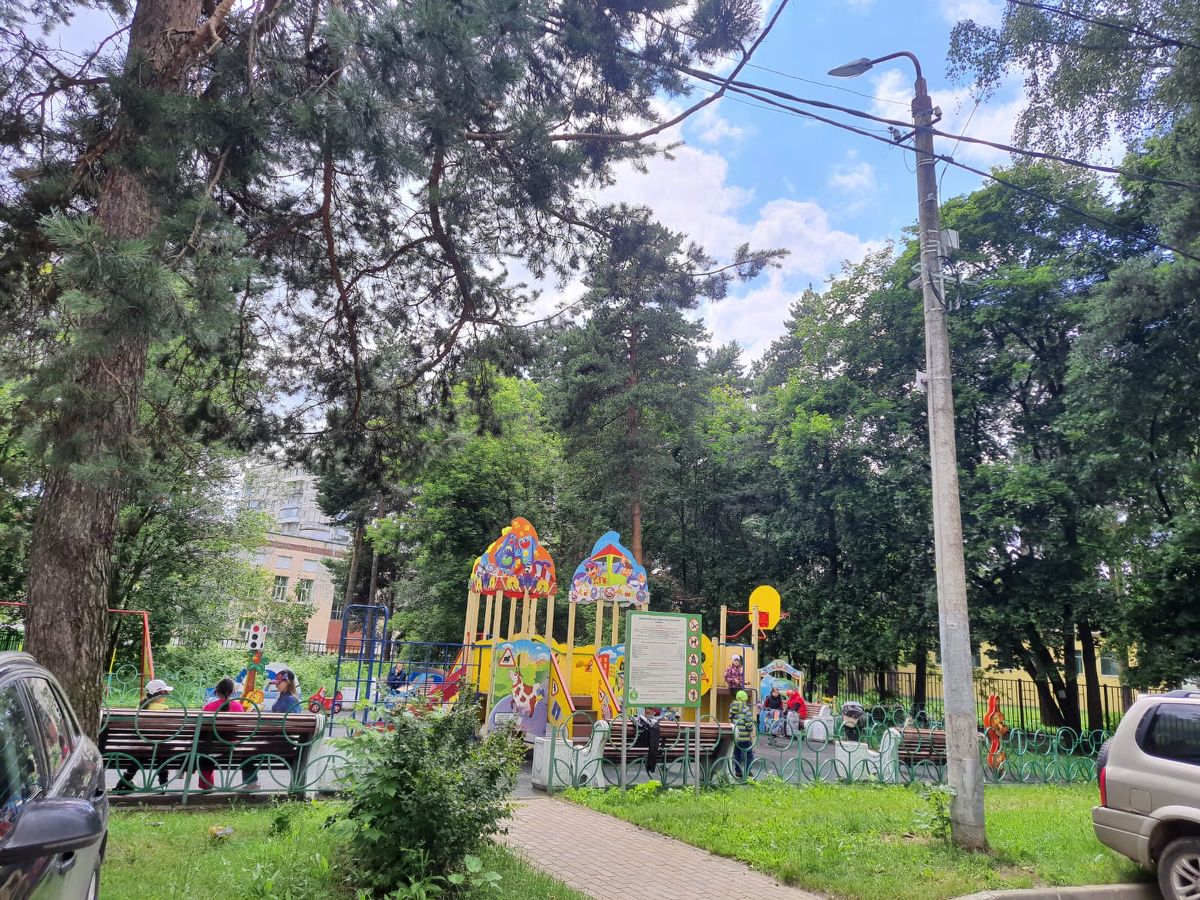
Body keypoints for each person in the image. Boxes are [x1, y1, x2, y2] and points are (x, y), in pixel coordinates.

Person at [240, 669, 301, 790]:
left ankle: (252, 783)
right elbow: (277, 714)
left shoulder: (290, 700)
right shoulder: (285, 697)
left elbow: (288, 724)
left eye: (279, 682)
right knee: (247, 748)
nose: (276, 684)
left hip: (281, 742)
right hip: (282, 741)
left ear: (288, 682)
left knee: (246, 751)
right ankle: (252, 782)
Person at [115, 678, 174, 792]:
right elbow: (168, 729)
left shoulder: (140, 707)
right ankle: (163, 783)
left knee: (139, 758)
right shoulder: (164, 708)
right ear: (158, 695)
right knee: (162, 755)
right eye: (165, 692)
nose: (167, 694)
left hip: (141, 746)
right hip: (159, 746)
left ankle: (123, 782)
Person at [197, 677, 245, 791]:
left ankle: (206, 785)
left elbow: (201, 727)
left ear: (217, 691)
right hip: (231, 745)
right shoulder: (238, 706)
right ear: (232, 691)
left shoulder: (209, 706)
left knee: (204, 751)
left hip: (211, 745)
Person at [729, 689, 756, 779]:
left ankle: (738, 772)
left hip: (736, 736)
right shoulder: (746, 709)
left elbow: (730, 718)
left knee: (737, 754)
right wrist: (750, 730)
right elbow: (748, 722)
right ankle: (748, 771)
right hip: (745, 737)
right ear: (744, 700)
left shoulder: (732, 707)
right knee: (749, 754)